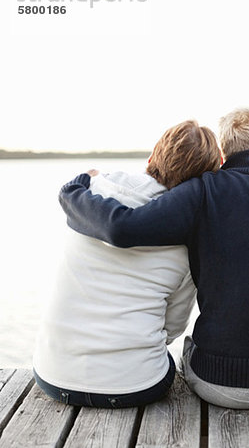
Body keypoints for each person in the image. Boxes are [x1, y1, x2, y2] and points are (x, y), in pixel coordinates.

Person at [58, 107, 249, 410]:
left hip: (222, 383)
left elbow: (122, 228)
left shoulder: (202, 192)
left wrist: (73, 192)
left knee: (190, 346)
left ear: (223, 156)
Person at [33, 120, 221, 408]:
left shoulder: (92, 195)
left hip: (52, 375)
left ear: (151, 157)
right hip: (134, 386)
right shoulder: (188, 238)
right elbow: (172, 328)